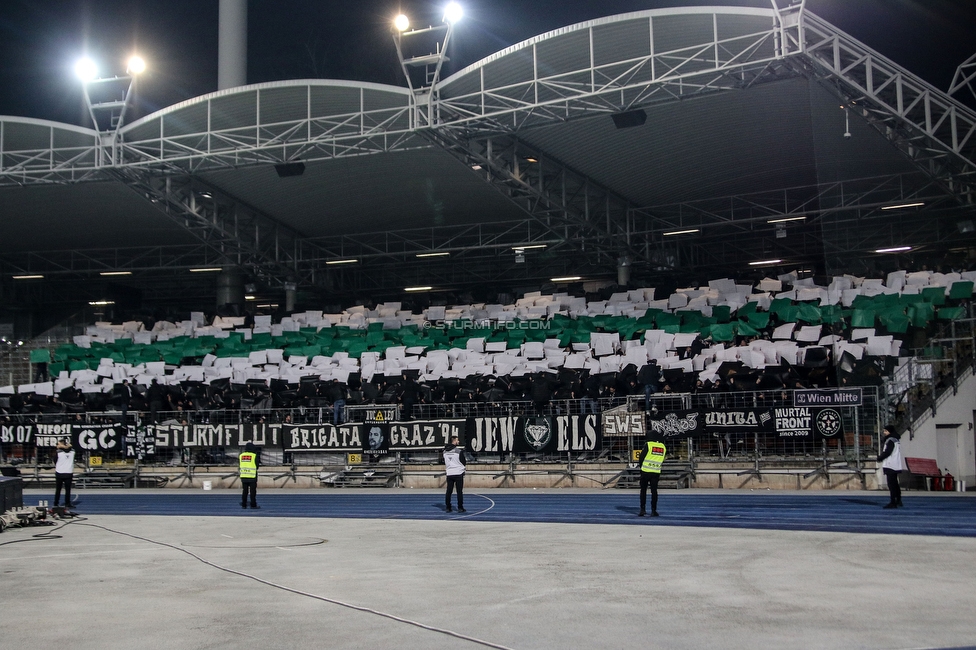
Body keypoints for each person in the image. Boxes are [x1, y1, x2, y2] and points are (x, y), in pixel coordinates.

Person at [637, 435, 667, 517]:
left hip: (645, 471)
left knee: (643, 490)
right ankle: (654, 510)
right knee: (654, 491)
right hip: (656, 471)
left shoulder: (648, 444)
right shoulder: (662, 446)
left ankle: (642, 509)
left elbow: (641, 457)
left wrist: (641, 467)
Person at [877, 427, 904, 509]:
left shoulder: (890, 440)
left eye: (886, 431)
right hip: (895, 464)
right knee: (895, 484)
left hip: (890, 464)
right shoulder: (896, 440)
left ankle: (893, 502)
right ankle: (898, 500)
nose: (884, 432)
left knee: (891, 484)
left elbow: (888, 452)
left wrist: (880, 458)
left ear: (890, 431)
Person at [443, 434, 466, 513]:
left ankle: (448, 507)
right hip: (458, 473)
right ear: (454, 441)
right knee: (459, 491)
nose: (458, 441)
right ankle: (460, 507)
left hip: (449, 473)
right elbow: (463, 462)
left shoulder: (445, 451)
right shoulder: (458, 451)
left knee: (449, 491)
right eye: (457, 440)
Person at [53, 438, 76, 509]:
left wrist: (61, 446)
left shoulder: (58, 452)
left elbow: (55, 460)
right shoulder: (72, 451)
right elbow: (70, 447)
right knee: (68, 490)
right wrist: (66, 446)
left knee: (58, 489)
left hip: (60, 472)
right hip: (68, 472)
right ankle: (67, 503)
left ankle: (56, 503)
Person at [239, 441, 261, 509]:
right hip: (252, 476)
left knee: (244, 491)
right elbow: (257, 466)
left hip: (243, 476)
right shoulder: (254, 456)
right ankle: (253, 504)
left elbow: (240, 464)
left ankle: (244, 504)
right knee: (252, 492)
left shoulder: (241, 455)